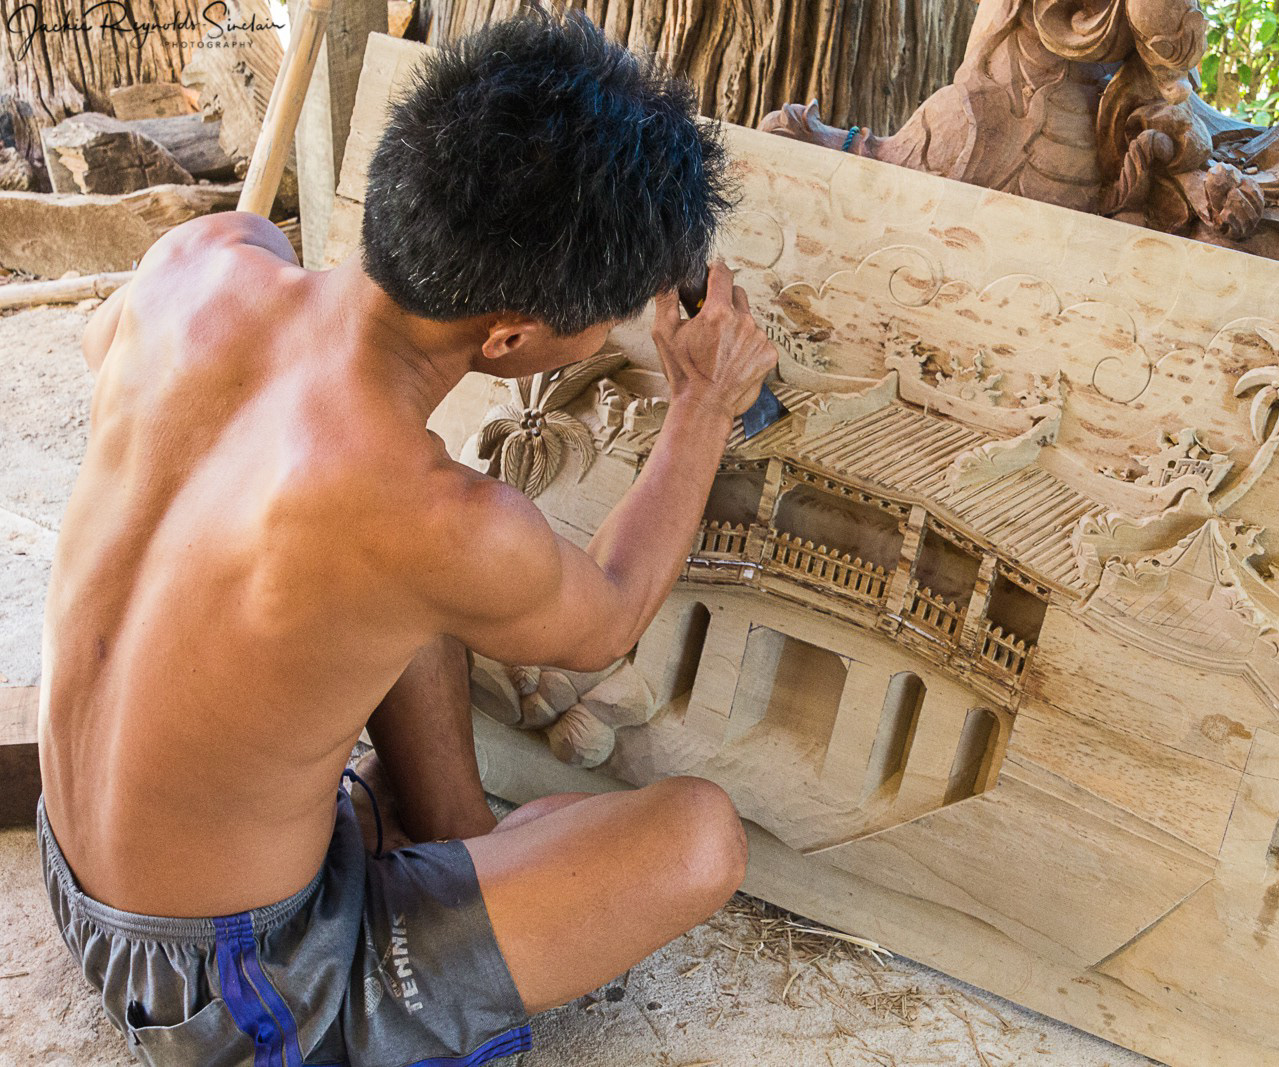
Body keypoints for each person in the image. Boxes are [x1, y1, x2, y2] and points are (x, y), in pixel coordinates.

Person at [36, 11, 776, 1065]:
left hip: (79, 874)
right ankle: (427, 887)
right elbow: (606, 613)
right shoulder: (432, 518)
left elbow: (94, 340)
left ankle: (450, 833)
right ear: (511, 335)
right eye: (604, 315)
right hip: (232, 984)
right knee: (700, 837)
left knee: (388, 556)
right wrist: (700, 405)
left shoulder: (200, 260)